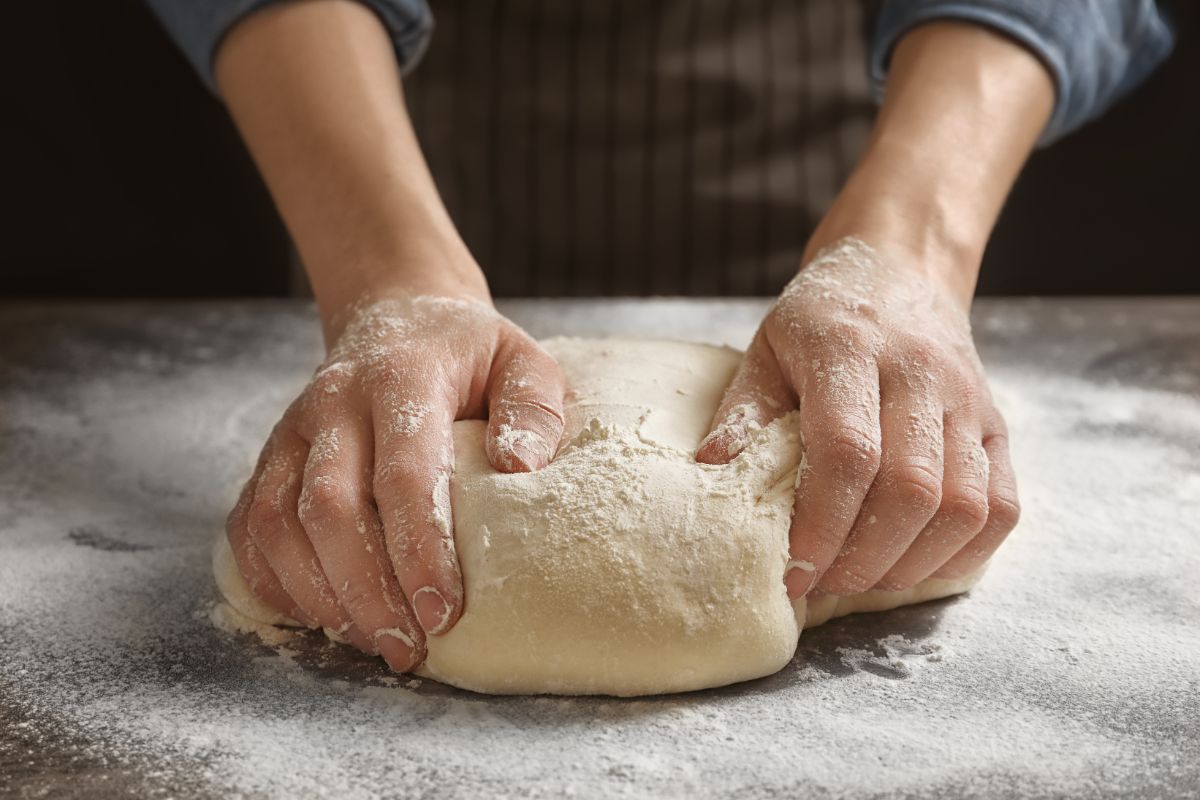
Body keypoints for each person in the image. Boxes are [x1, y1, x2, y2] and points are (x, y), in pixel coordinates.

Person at [147, 0, 1173, 672]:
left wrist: (908, 251)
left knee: (863, 433)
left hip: (830, 127)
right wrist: (383, 277)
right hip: (390, 121)